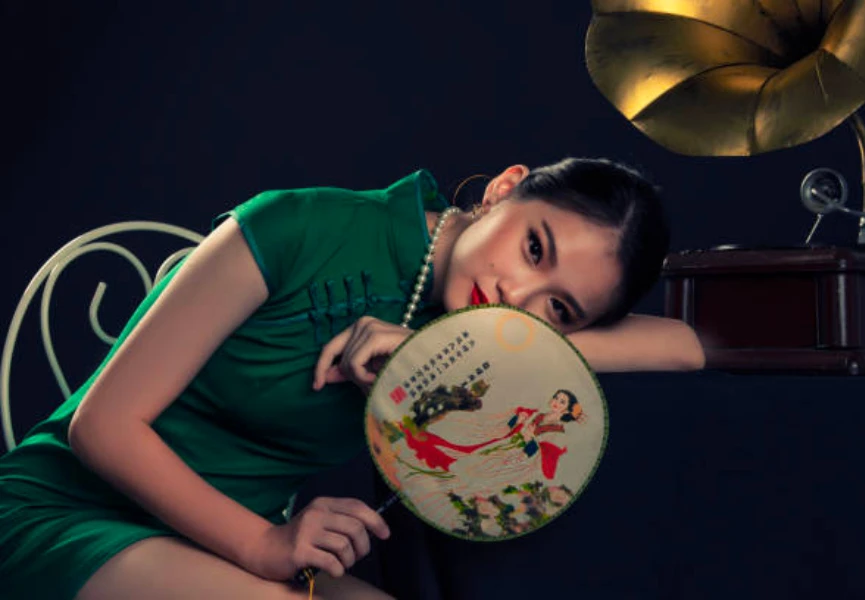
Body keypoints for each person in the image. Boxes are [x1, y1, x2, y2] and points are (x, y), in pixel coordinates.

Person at [0, 157, 704, 600]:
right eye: (533, 247)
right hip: (68, 514)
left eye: (558, 309)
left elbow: (684, 344)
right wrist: (265, 546)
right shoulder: (298, 225)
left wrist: (452, 342)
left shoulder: (465, 329)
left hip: (210, 543)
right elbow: (102, 426)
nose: (515, 298)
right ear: (504, 189)